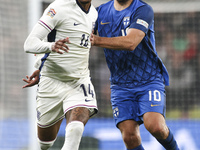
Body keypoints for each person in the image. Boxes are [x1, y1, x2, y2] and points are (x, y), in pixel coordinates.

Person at [90, 0, 180, 150]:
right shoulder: (99, 12)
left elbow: (131, 42)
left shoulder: (142, 9)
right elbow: (79, 34)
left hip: (148, 79)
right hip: (120, 84)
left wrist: (96, 40)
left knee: (156, 126)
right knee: (129, 136)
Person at [23, 0, 98, 149]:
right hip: (51, 80)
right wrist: (50, 48)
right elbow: (29, 44)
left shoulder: (94, 14)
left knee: (76, 128)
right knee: (45, 144)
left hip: (79, 80)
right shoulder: (58, 8)